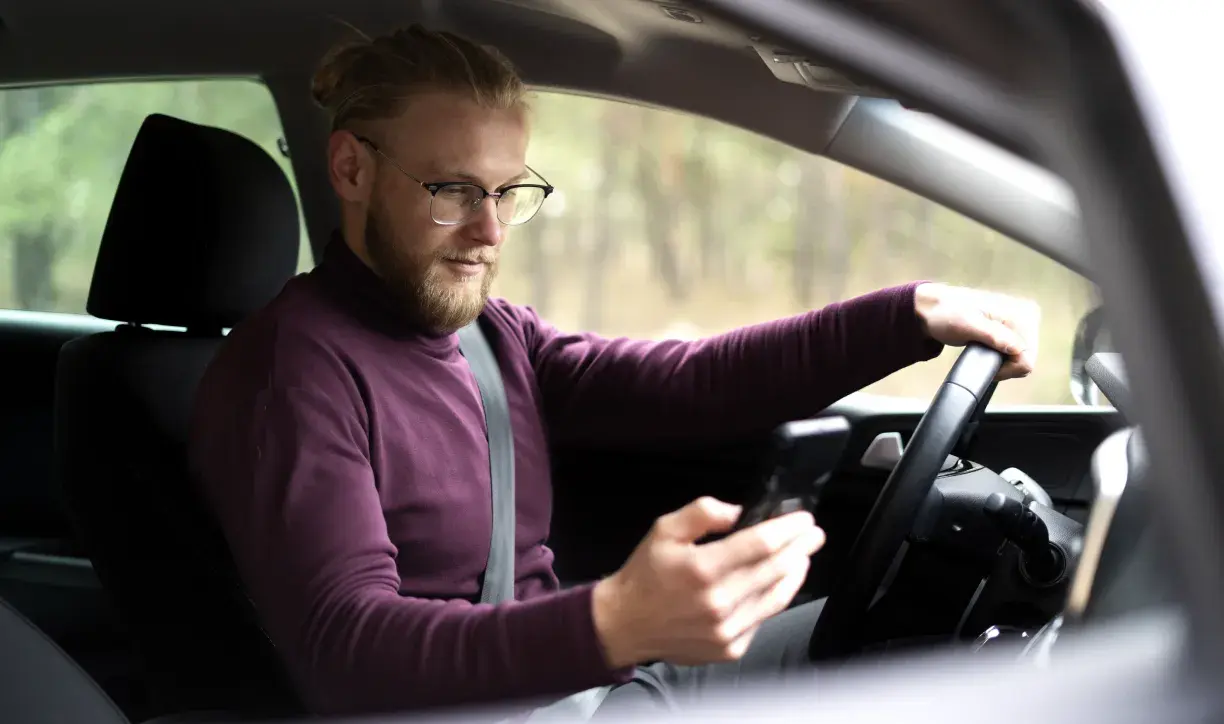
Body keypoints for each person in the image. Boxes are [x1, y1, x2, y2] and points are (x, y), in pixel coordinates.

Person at [187, 24, 1040, 721]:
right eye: (453, 190)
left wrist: (907, 316)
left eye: (508, 192)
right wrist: (610, 621)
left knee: (911, 632)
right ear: (352, 169)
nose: (491, 231)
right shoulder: (289, 372)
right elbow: (348, 649)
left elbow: (690, 382)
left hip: (573, 695)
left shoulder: (490, 335)